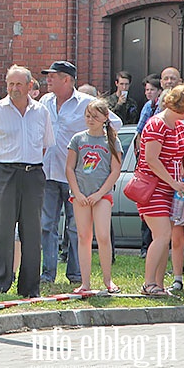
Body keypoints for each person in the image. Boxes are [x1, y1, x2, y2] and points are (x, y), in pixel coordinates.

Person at [38, 61, 122, 286]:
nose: (48, 79)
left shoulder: (86, 103)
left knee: (76, 229)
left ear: (66, 79)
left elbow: (116, 122)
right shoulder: (44, 101)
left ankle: (76, 275)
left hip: (78, 177)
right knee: (47, 225)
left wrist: (94, 135)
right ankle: (48, 274)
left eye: (52, 76)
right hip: (49, 171)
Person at [0, 65, 54, 297]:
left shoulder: (41, 112)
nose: (14, 89)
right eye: (11, 84)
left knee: (32, 232)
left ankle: (30, 287)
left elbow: (43, 146)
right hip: (3, 172)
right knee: (1, 231)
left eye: (19, 84)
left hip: (32, 173)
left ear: (30, 86)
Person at [134, 83, 184, 296]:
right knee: (163, 235)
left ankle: (158, 285)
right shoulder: (156, 124)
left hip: (170, 189)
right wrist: (174, 182)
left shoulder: (175, 126)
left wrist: (182, 178)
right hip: (153, 187)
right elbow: (151, 160)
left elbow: (175, 159)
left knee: (164, 237)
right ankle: (149, 284)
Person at [65, 98, 122, 294]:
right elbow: (70, 169)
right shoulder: (78, 139)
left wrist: (99, 194)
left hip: (102, 195)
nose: (90, 119)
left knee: (103, 236)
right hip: (80, 195)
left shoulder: (111, 141)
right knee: (83, 236)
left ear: (105, 118)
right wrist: (78, 193)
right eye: (88, 116)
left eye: (95, 117)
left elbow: (115, 170)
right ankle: (85, 283)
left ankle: (108, 280)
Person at [136, 74, 163, 258]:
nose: (148, 93)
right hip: (149, 174)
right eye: (146, 90)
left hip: (163, 175)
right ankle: (145, 248)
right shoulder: (151, 114)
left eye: (151, 89)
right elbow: (139, 132)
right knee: (149, 217)